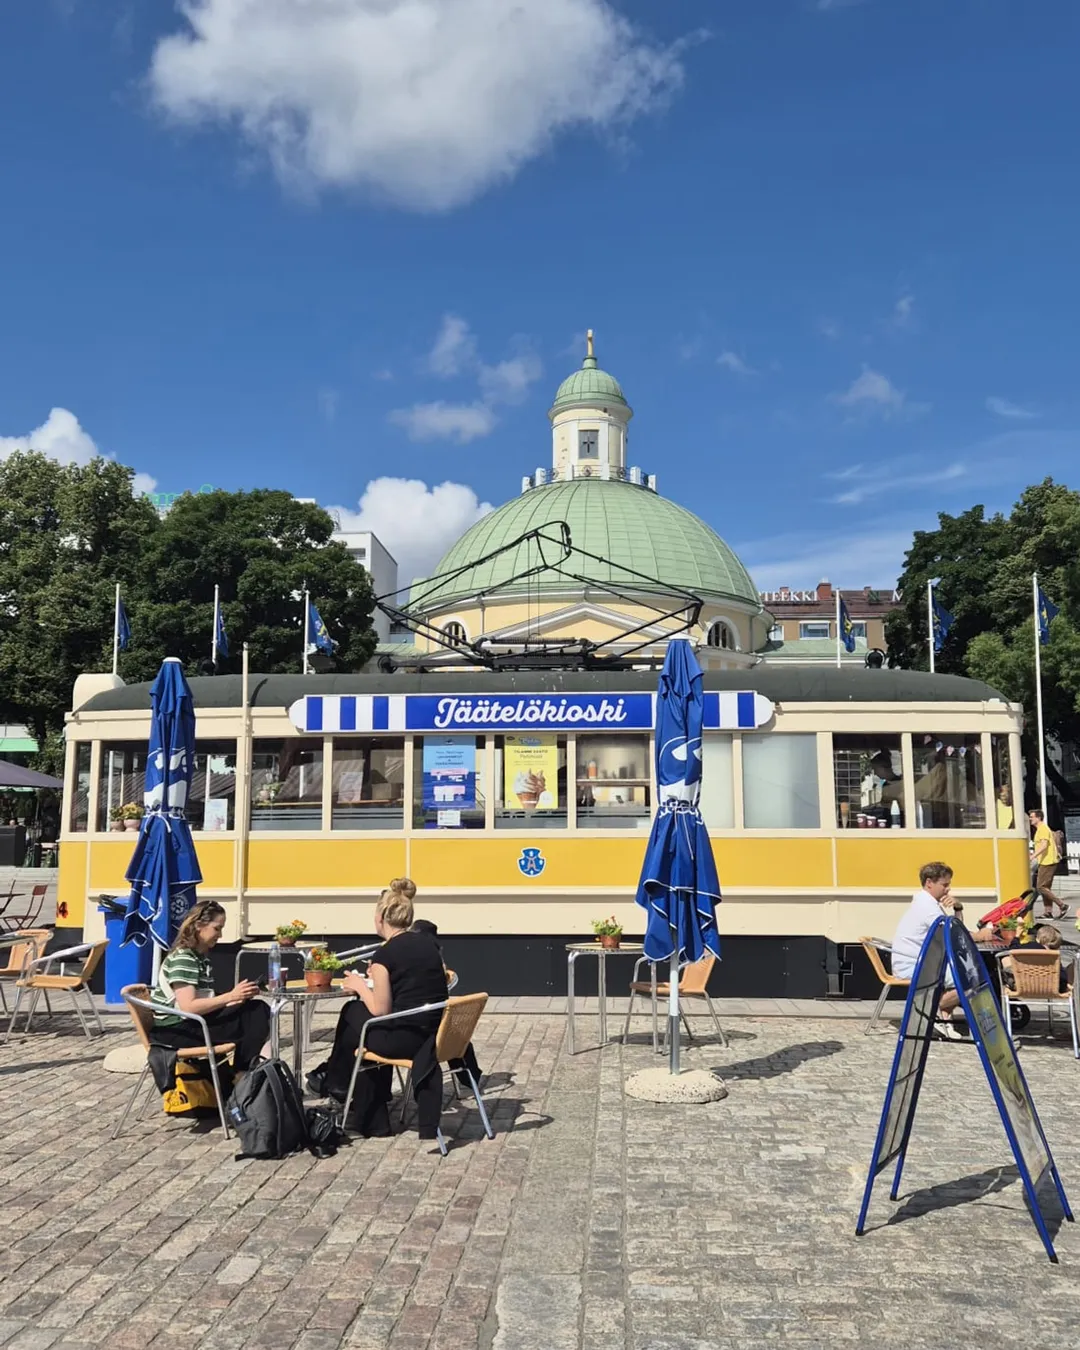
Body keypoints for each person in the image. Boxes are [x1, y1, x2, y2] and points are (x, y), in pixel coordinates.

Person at [317, 879, 448, 1137]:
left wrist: (359, 985)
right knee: (359, 1026)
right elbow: (414, 983)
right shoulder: (428, 946)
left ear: (380, 918)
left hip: (406, 1040)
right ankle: (349, 1094)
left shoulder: (384, 955)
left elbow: (381, 1010)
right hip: (433, 1034)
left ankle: (340, 1084)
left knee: (353, 1013)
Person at [150, 899, 271, 1071]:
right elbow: (188, 1007)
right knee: (256, 1015)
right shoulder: (184, 958)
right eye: (217, 928)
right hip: (175, 1031)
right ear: (199, 925)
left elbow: (203, 1001)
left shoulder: (197, 958)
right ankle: (243, 1074)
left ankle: (244, 1073)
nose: (220, 935)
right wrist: (230, 996)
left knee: (255, 1011)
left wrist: (237, 999)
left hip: (188, 1024)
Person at [890, 862, 995, 1039]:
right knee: (971, 978)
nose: (948, 889)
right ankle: (930, 1015)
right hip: (914, 965)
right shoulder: (927, 907)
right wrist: (980, 935)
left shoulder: (928, 903)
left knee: (966, 973)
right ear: (929, 883)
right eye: (944, 885)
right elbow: (953, 936)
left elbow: (953, 928)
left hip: (922, 962)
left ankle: (942, 1018)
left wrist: (958, 908)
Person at [411, 917, 484, 1088]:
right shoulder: (435, 960)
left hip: (420, 1032)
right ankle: (469, 1074)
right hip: (445, 1032)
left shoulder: (426, 962)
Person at [1028, 809, 1068, 920]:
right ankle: (1048, 912)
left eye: (1032, 817)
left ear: (1038, 818)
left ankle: (1062, 905)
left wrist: (1033, 856)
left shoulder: (1043, 829)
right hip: (1046, 861)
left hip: (1048, 862)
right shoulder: (1041, 829)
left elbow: (1044, 845)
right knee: (1045, 888)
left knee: (1041, 887)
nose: (1030, 819)